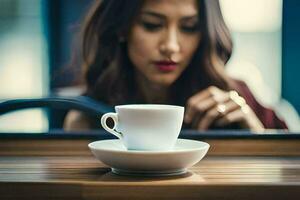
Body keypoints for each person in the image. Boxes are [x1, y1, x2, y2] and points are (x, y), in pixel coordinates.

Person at [64, 0, 287, 131]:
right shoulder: (87, 115)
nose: (170, 46)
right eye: (152, 25)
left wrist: (257, 135)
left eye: (189, 27)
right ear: (122, 28)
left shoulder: (236, 97)